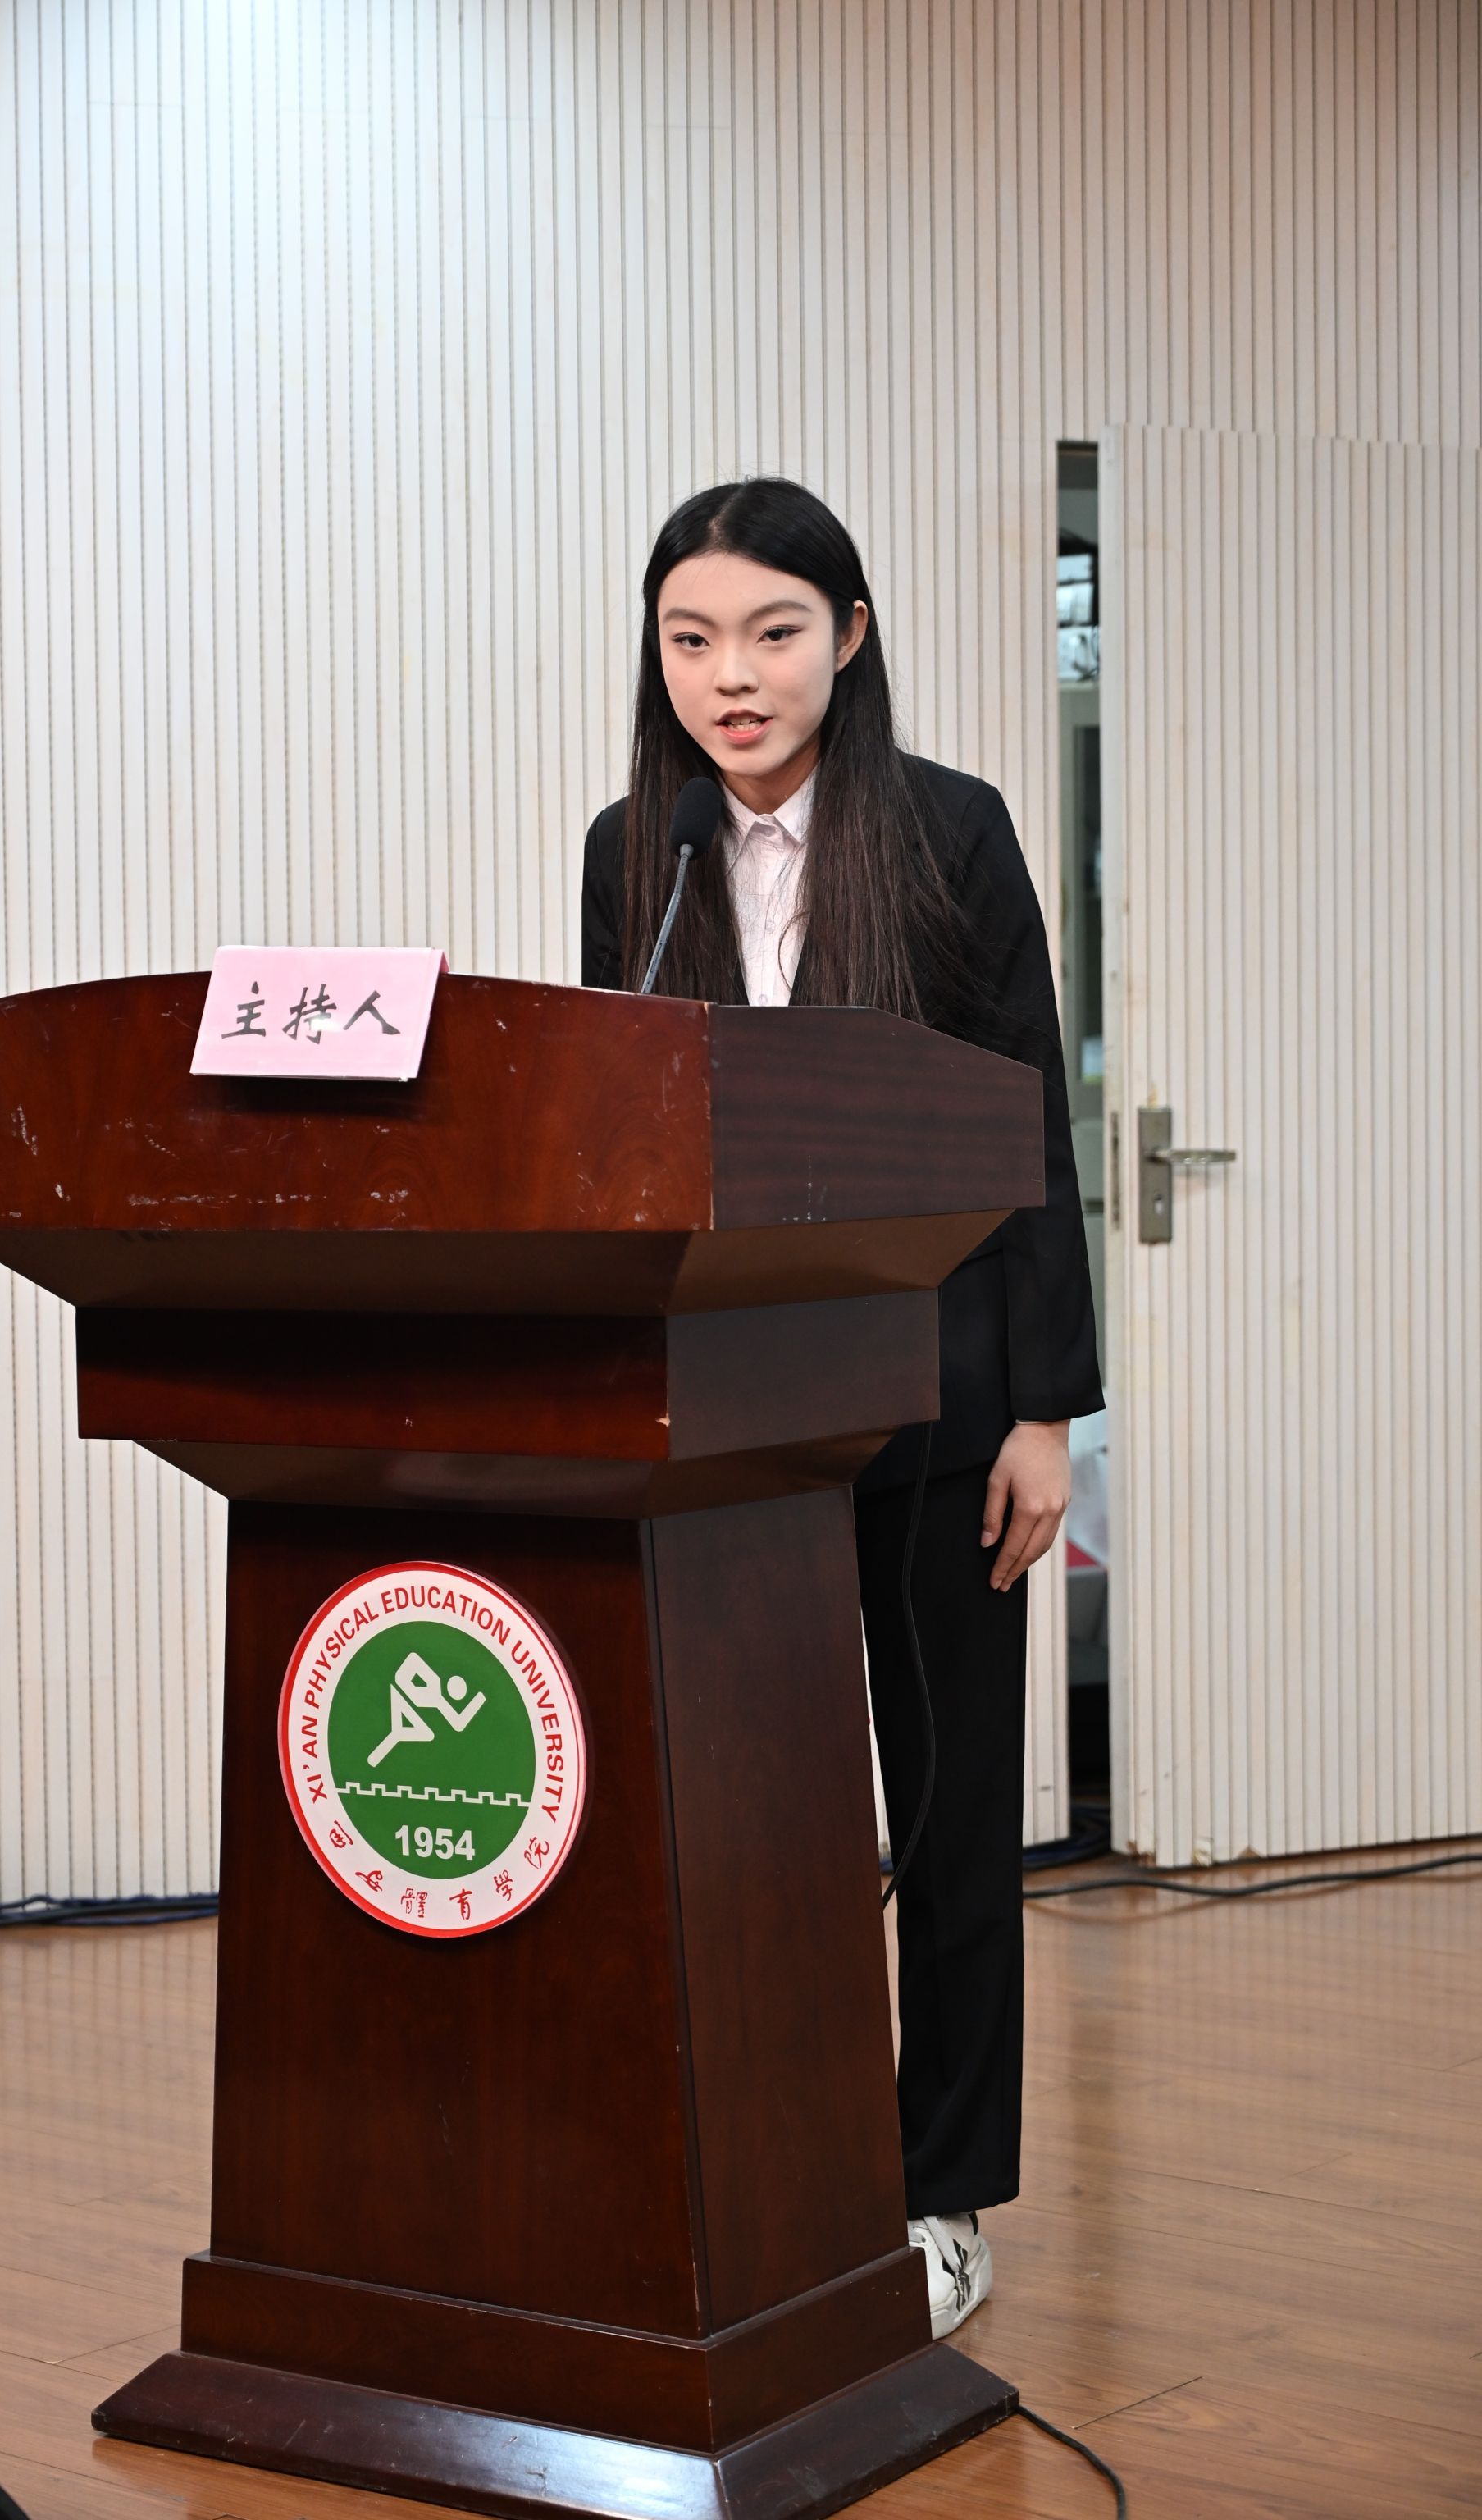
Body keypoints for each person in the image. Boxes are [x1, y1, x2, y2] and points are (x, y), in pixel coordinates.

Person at [581, 478, 1101, 2338]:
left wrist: (1048, 1412)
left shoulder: (950, 831)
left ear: (849, 638)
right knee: (751, 1818)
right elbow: (615, 1123)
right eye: (692, 639)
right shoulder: (634, 848)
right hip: (730, 1418)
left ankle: (938, 2193)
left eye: (772, 633)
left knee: (947, 1818)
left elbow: (1030, 1125)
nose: (731, 676)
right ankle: (774, 2170)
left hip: (945, 1403)